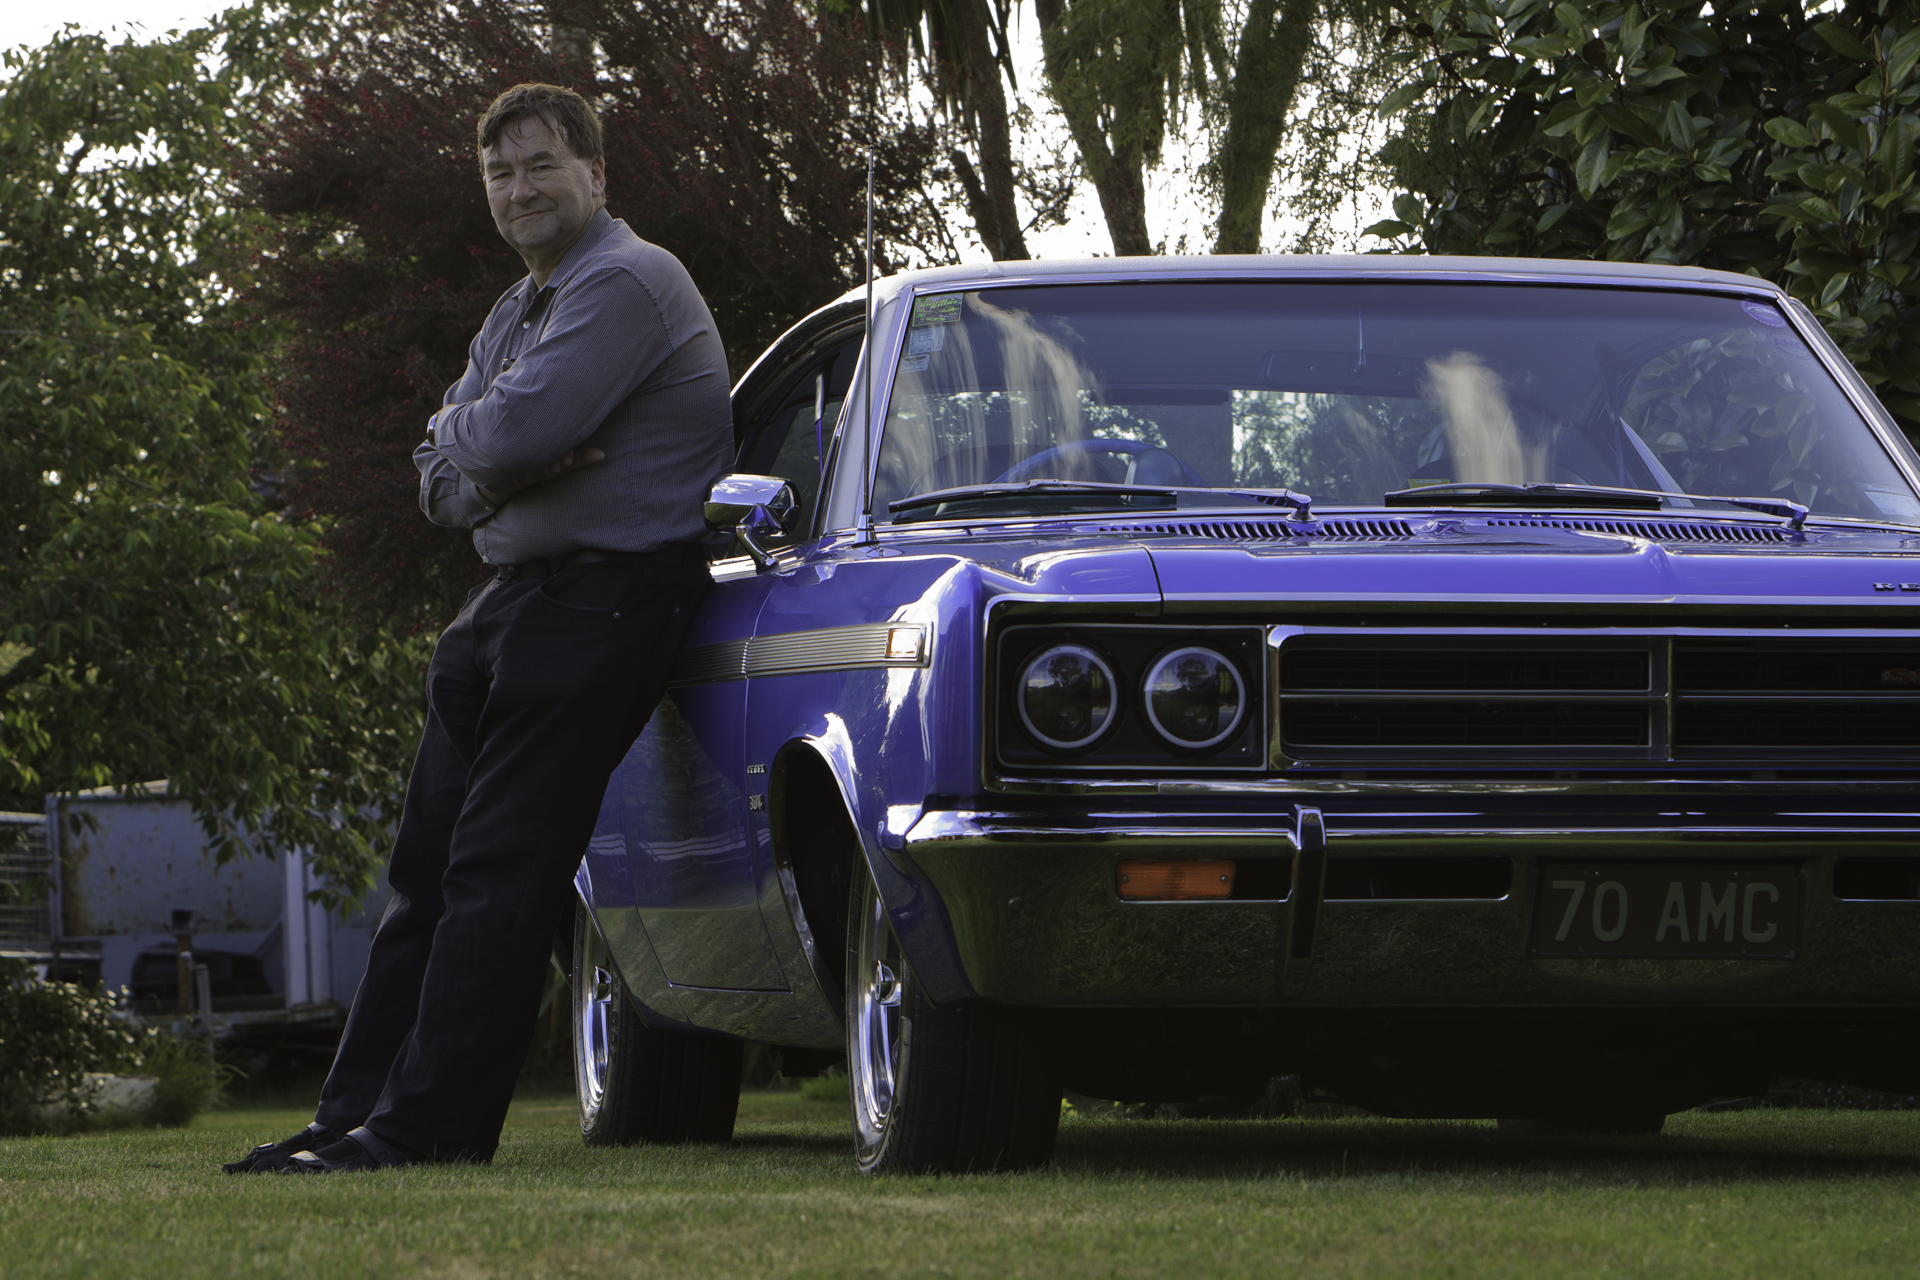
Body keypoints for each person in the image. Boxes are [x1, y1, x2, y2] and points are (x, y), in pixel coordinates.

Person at [226, 82, 733, 1172]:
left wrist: (482, 444)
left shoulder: (629, 282)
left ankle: (427, 1130)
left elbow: (498, 446)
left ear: (597, 174)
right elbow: (442, 481)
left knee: (502, 871)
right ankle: (348, 1120)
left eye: (541, 165)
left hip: (609, 597)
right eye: (500, 173)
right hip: (506, 605)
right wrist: (480, 442)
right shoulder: (517, 311)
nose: (518, 189)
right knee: (426, 874)